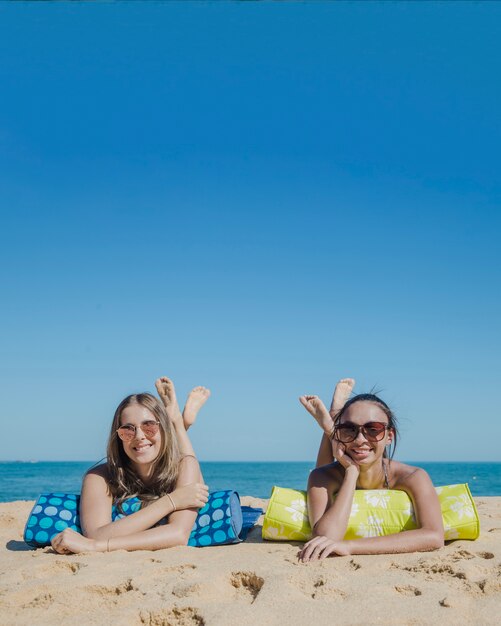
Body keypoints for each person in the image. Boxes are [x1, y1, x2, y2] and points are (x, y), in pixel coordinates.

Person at [51, 377, 210, 554]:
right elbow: (96, 535)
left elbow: (179, 534)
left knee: (190, 465)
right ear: (117, 436)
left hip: (178, 460)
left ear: (163, 428)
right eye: (128, 429)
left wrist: (95, 547)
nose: (138, 436)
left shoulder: (185, 465)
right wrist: (172, 501)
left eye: (149, 426)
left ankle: (177, 422)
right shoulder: (98, 477)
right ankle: (177, 422)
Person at [298, 378, 444, 561]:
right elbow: (325, 538)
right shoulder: (321, 475)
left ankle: (334, 421)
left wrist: (350, 546)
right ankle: (335, 421)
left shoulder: (413, 476)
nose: (360, 439)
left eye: (373, 429)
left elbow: (434, 536)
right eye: (349, 429)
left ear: (389, 436)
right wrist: (351, 472)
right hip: (337, 468)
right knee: (326, 471)